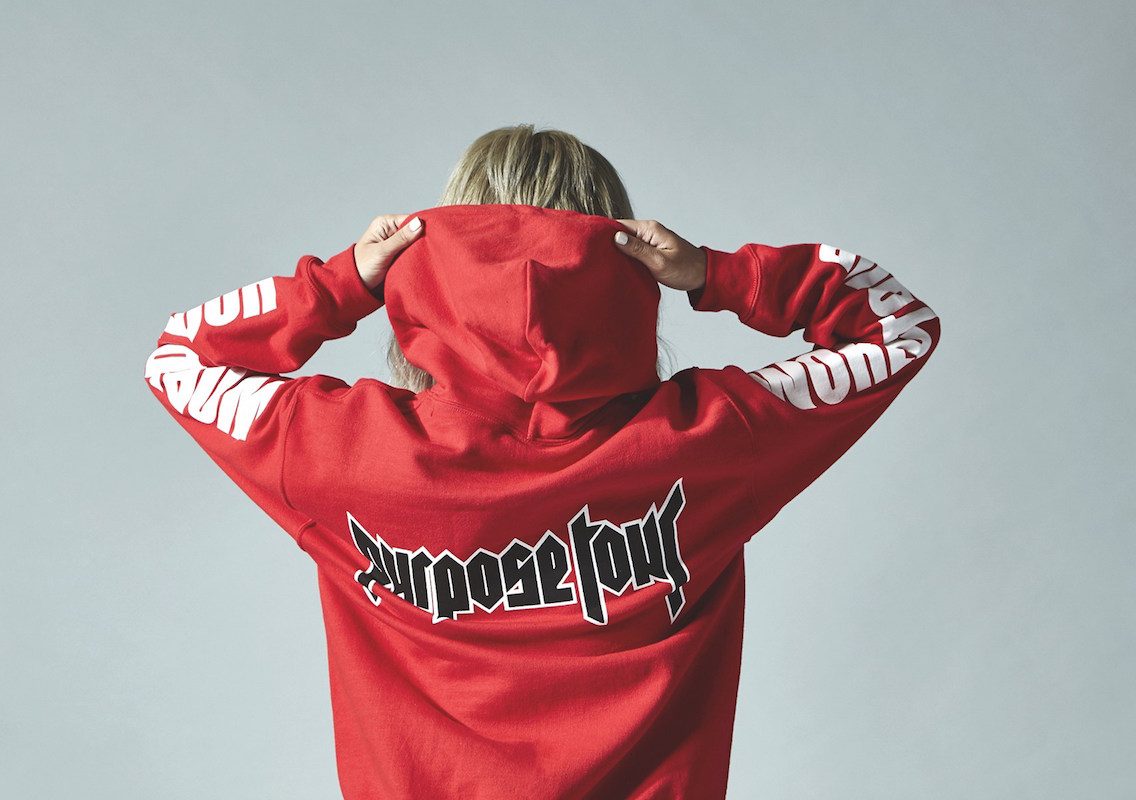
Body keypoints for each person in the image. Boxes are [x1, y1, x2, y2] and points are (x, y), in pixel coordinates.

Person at [144, 123, 941, 799]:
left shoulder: (343, 455)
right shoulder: (707, 442)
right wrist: (717, 273)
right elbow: (899, 328)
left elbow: (180, 359)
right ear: (627, 258)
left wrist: (342, 282)